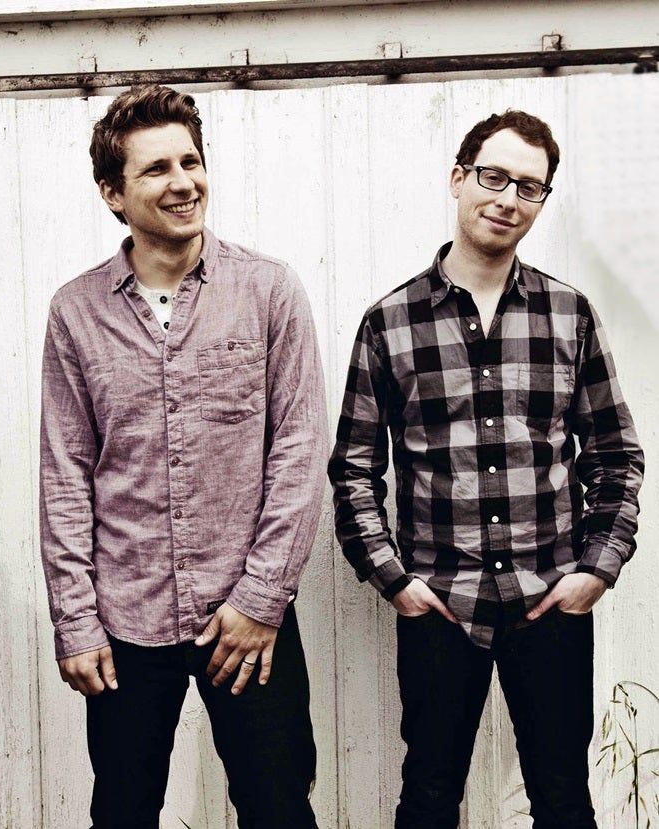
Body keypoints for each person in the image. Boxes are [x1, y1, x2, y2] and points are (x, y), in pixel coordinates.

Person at [329, 110, 645, 828]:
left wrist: (596, 569)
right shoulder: (390, 322)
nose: (508, 199)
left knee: (563, 798)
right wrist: (396, 580)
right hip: (441, 602)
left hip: (551, 597)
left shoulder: (569, 313)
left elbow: (614, 454)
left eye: (529, 187)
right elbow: (353, 467)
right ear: (459, 179)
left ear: (542, 200)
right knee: (429, 796)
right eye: (494, 177)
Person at [39, 84, 328, 829]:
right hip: (126, 616)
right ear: (112, 193)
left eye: (190, 162)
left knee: (277, 806)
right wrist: (76, 620)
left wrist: (261, 599)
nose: (183, 182)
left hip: (247, 612)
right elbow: (65, 474)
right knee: (123, 810)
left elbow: (299, 451)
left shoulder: (268, 291)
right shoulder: (76, 311)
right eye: (157, 169)